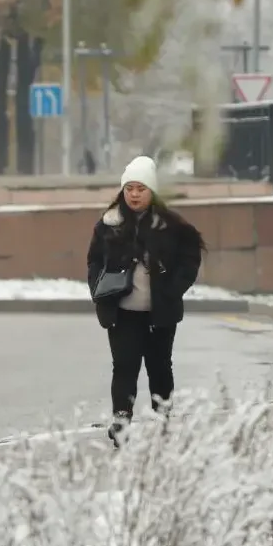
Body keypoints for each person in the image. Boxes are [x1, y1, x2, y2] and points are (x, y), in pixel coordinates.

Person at [86, 156, 206, 446]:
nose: (135, 194)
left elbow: (190, 260)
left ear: (151, 191)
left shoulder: (171, 226)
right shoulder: (108, 224)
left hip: (159, 312)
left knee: (160, 367)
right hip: (123, 311)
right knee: (124, 367)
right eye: (129, 188)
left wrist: (172, 289)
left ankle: (162, 419)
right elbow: (94, 262)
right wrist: (98, 290)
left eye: (140, 188)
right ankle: (121, 422)